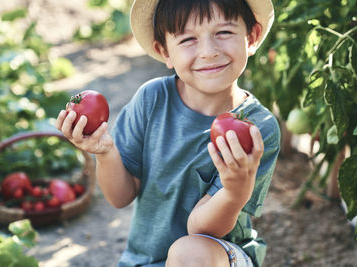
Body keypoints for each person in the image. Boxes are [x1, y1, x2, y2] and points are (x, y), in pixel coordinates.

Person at [55, 0, 280, 266]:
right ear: (165, 52)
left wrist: (234, 193)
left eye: (224, 33)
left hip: (216, 257)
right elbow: (120, 197)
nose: (208, 51)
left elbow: (201, 229)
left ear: (251, 37)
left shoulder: (258, 127)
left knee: (189, 253)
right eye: (188, 39)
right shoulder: (151, 100)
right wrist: (104, 153)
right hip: (145, 260)